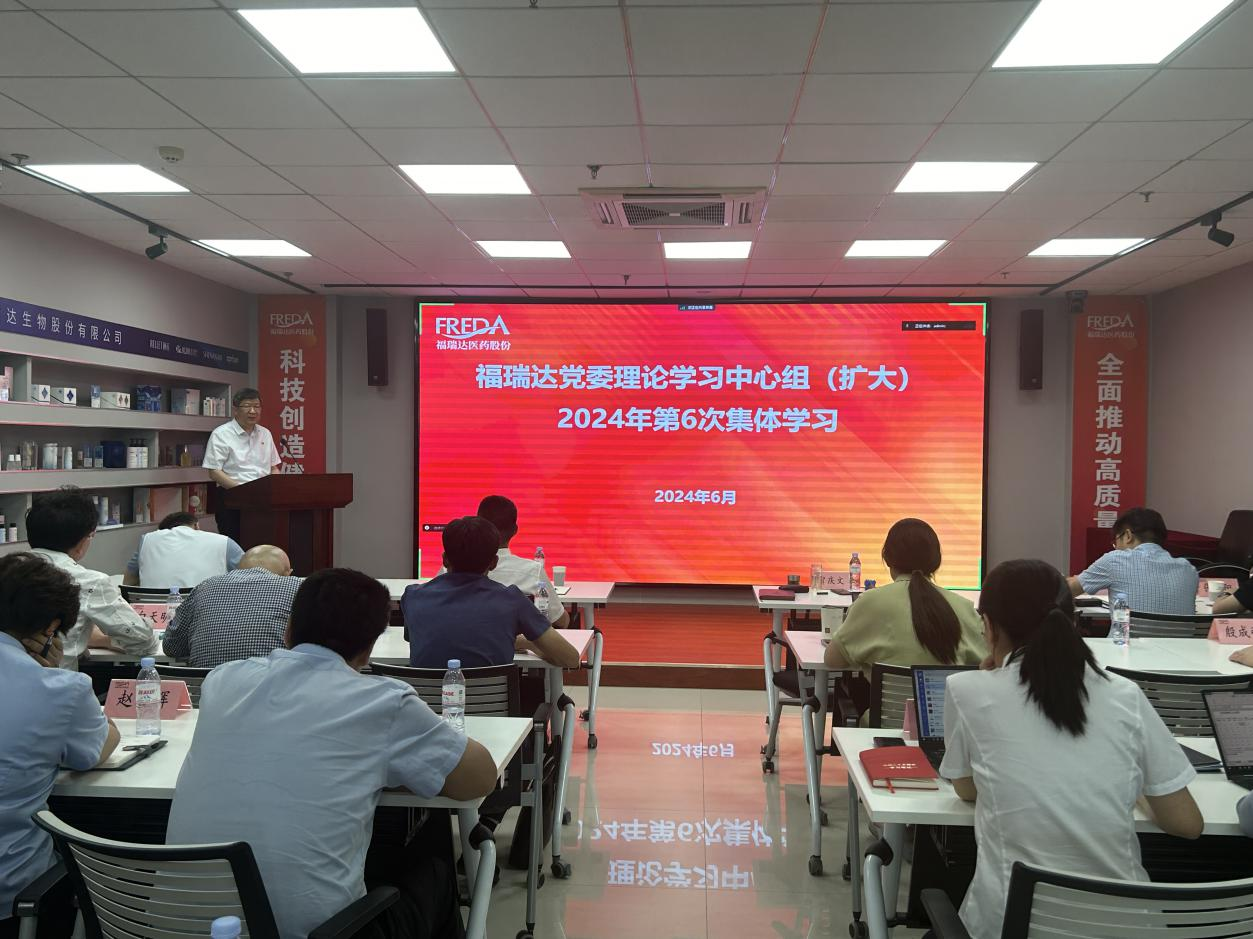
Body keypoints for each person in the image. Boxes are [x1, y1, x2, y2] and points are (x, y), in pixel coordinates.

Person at [166, 568, 496, 939]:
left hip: (180, 927)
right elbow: (479, 779)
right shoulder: (383, 702)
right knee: (434, 871)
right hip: (321, 933)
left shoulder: (222, 680)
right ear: (368, 649)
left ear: (289, 629)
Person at [941, 559, 1202, 938]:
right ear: (1072, 622)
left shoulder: (967, 691)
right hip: (1132, 928)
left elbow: (967, 790)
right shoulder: (1125, 694)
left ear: (990, 627)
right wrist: (1130, 781)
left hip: (1009, 925)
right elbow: (1187, 824)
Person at [0, 553, 119, 939]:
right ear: (52, 627)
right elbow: (95, 750)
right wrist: (52, 673)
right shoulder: (58, 689)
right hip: (15, 891)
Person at [405, 516, 580, 671]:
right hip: (495, 699)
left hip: (426, 699)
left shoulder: (413, 596)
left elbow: (418, 639)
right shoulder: (511, 600)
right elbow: (570, 658)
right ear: (494, 563)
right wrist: (527, 643)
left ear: (444, 559)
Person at [824, 518, 986, 672]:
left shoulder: (869, 602)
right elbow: (989, 661)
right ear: (936, 561)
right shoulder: (963, 607)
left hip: (886, 694)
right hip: (945, 694)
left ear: (887, 558)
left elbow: (833, 660)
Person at [27, 487, 157, 668]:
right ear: (82, 541)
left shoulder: (8, 570)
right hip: (56, 682)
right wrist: (102, 640)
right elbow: (143, 641)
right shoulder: (87, 582)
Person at [161, 545, 298, 668]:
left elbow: (171, 647)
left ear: (238, 568)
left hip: (208, 685)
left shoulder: (206, 586)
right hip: (270, 685)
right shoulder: (295, 586)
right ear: (288, 574)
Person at [1067, 507, 1198, 614]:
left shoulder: (1115, 560)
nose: (1116, 547)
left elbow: (1067, 589)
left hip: (1126, 639)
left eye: (1116, 542)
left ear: (1128, 536)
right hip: (1180, 640)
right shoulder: (1189, 569)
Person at [476, 495, 570, 628]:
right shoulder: (532, 571)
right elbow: (559, 620)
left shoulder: (454, 570)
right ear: (514, 530)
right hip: (520, 641)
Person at [202, 388, 280, 544]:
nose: (253, 411)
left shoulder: (265, 433)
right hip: (232, 498)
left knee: (263, 545)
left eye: (257, 406)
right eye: (247, 406)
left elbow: (274, 467)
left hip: (263, 500)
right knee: (237, 546)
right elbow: (214, 471)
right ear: (235, 410)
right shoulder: (221, 434)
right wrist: (243, 492)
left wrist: (275, 488)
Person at [123, 511, 244, 588]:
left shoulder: (147, 540)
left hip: (155, 614)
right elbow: (252, 578)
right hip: (207, 615)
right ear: (196, 525)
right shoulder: (224, 542)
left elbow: (128, 582)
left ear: (162, 531)